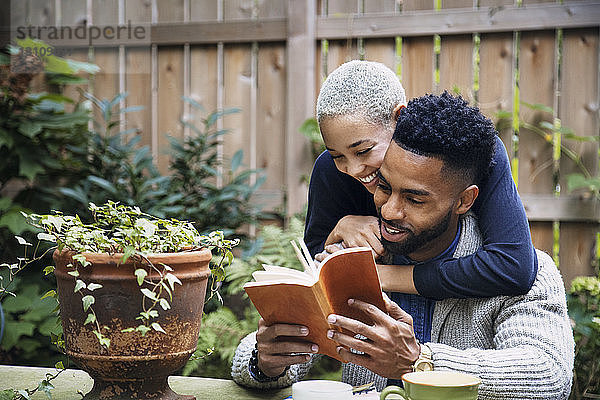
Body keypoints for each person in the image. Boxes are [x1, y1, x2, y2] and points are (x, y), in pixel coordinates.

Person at [231, 93, 574, 399]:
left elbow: (547, 377)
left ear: (464, 201)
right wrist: (266, 362)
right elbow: (274, 360)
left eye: (414, 198)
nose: (390, 210)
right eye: (384, 186)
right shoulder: (355, 260)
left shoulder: (529, 271)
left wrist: (419, 361)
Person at [305, 60, 537, 299]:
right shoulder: (330, 171)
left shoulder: (466, 154)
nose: (353, 169)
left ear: (399, 117)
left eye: (364, 151)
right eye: (336, 155)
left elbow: (513, 267)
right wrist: (339, 229)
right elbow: (313, 263)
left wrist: (382, 276)